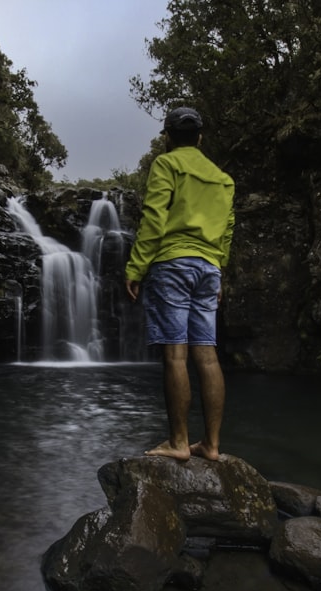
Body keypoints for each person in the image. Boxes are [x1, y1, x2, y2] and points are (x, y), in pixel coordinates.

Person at [124, 106, 235, 462]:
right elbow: (227, 231)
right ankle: (213, 445)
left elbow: (154, 219)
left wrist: (136, 267)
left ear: (167, 137)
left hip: (172, 263)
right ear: (200, 138)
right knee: (207, 354)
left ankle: (178, 442)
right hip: (208, 268)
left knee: (175, 354)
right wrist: (219, 270)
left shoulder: (166, 164)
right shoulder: (222, 178)